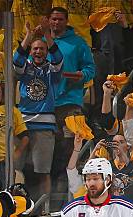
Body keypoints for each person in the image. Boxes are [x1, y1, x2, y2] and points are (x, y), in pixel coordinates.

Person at [13, 19, 63, 195]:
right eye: (35, 48)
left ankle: (45, 212)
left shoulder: (52, 69)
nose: (38, 51)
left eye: (42, 48)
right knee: (15, 169)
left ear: (46, 51)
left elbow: (58, 58)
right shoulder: (25, 67)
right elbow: (16, 60)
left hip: (44, 125)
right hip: (22, 125)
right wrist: (28, 35)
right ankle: (13, 205)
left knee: (43, 172)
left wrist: (47, 34)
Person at [49, 7, 95, 183]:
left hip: (70, 103)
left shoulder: (78, 43)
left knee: (70, 146)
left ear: (67, 21)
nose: (56, 22)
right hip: (47, 104)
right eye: (53, 19)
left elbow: (91, 69)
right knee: (50, 149)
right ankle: (51, 186)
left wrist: (81, 75)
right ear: (49, 20)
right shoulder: (42, 43)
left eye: (60, 19)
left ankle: (68, 186)